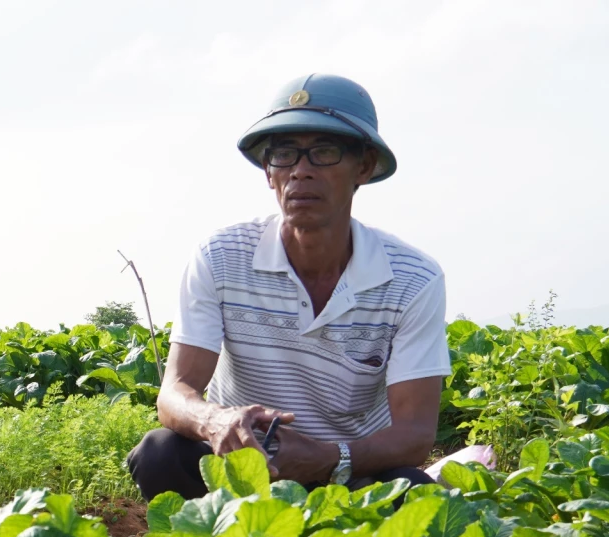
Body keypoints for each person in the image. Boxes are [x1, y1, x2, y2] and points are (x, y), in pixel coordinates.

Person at [128, 74, 450, 500]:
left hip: (348, 470)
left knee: (412, 491)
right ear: (268, 172)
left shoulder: (413, 279)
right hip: (244, 465)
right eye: (283, 155)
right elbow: (176, 392)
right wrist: (216, 421)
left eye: (324, 152)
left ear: (364, 166)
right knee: (159, 453)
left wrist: (331, 457)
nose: (301, 170)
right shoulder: (221, 256)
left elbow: (414, 434)